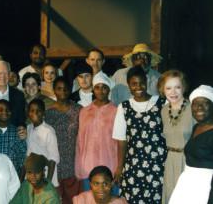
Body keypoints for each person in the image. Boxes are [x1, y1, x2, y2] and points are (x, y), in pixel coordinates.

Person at [112, 66, 167, 204]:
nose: (139, 87)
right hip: (133, 166)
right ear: (128, 85)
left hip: (157, 165)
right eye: (134, 84)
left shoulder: (162, 103)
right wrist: (120, 167)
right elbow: (122, 141)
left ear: (147, 81)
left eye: (141, 82)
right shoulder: (124, 107)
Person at [169, 85, 213, 204]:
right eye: (195, 103)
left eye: (205, 103)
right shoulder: (196, 127)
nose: (199, 107)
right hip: (188, 182)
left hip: (206, 186)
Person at [157, 70, 195, 204]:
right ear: (163, 90)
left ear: (183, 87)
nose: (173, 92)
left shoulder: (193, 109)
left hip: (190, 162)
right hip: (171, 161)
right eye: (168, 88)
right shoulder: (163, 111)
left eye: (177, 87)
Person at [75, 73, 118, 191]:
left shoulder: (117, 111)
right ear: (93, 89)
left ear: (109, 89)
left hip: (110, 165)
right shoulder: (84, 111)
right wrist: (78, 167)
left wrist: (119, 168)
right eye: (97, 87)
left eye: (104, 87)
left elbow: (120, 142)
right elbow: (80, 140)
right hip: (87, 166)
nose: (101, 91)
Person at [45, 76, 82, 204]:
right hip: (54, 165)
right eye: (59, 89)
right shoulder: (48, 112)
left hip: (73, 163)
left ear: (71, 89)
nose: (63, 92)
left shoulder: (79, 110)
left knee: (73, 200)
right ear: (54, 90)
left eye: (66, 89)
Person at [26, 99, 60, 187]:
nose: (35, 113)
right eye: (32, 111)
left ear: (44, 113)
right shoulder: (28, 128)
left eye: (38, 111)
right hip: (32, 177)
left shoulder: (48, 131)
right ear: (28, 113)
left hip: (46, 176)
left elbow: (53, 159)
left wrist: (47, 183)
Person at [0, 99, 27, 175]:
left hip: (13, 175)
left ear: (10, 113)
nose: (4, 112)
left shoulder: (17, 132)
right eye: (0, 110)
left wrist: (20, 179)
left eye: (7, 110)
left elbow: (23, 157)